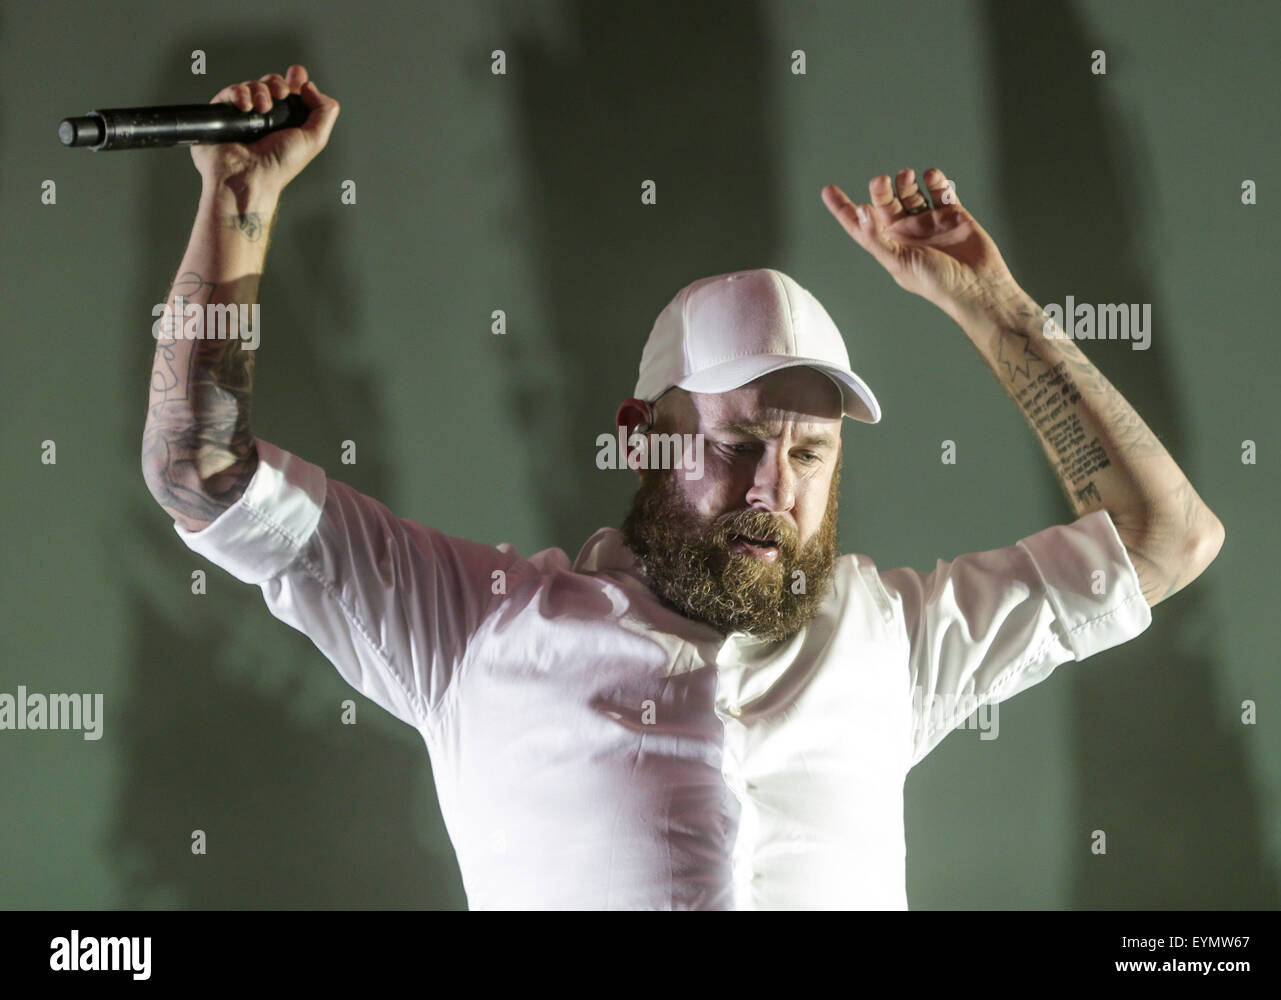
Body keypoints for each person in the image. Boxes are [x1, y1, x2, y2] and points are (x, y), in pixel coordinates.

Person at [142, 65, 1225, 909]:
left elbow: (1164, 535)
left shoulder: (891, 642)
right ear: (639, 439)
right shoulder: (473, 627)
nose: (774, 488)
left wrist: (990, 305)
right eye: (740, 442)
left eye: (809, 455)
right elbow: (200, 470)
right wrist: (238, 200)